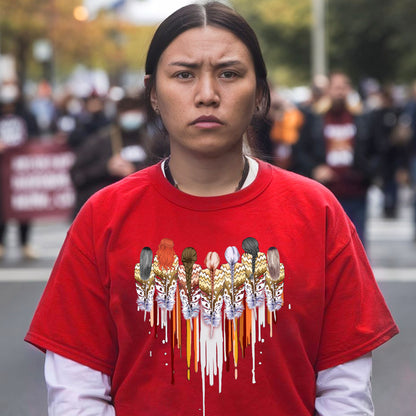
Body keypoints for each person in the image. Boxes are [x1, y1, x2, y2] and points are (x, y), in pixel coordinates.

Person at [25, 3, 398, 416]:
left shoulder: (317, 211)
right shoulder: (104, 217)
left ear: (259, 93)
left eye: (229, 73)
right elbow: (77, 394)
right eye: (184, 75)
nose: (207, 94)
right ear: (152, 92)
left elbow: (345, 392)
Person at [295, 72, 380, 247]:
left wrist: (366, 172)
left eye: (343, 87)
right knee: (326, 246)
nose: (339, 92)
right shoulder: (314, 118)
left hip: (356, 192)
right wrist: (314, 169)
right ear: (328, 91)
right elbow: (300, 151)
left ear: (349, 90)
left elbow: (377, 149)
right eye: (336, 87)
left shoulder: (363, 118)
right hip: (325, 194)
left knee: (357, 244)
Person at [69, 93, 155, 217]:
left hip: (143, 210)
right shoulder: (99, 141)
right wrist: (106, 168)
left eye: (135, 111)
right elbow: (77, 174)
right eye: (127, 111)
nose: (131, 116)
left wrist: (136, 171)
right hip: (106, 211)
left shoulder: (152, 141)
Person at [0, 81, 39, 260]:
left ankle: (25, 243)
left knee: (24, 206)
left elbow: (36, 138)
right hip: (2, 169)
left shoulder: (27, 115)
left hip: (22, 170)